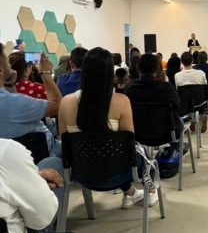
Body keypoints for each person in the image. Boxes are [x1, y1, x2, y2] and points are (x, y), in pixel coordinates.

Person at [58, 47, 147, 209]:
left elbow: (63, 140)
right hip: (118, 173)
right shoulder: (121, 101)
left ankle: (131, 192)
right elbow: (130, 141)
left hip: (80, 174)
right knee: (140, 152)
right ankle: (149, 190)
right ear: (110, 74)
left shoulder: (65, 103)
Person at [0, 45, 62, 157]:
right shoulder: (16, 102)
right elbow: (59, 106)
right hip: (46, 153)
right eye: (8, 64)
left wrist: (9, 85)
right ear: (1, 70)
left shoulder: (10, 100)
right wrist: (45, 72)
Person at [175, 51, 208, 132]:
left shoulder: (177, 75)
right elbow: (205, 86)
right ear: (193, 60)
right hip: (200, 102)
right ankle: (202, 115)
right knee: (199, 105)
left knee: (189, 103)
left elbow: (177, 89)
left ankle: (193, 120)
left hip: (184, 105)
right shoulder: (201, 73)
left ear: (181, 62)